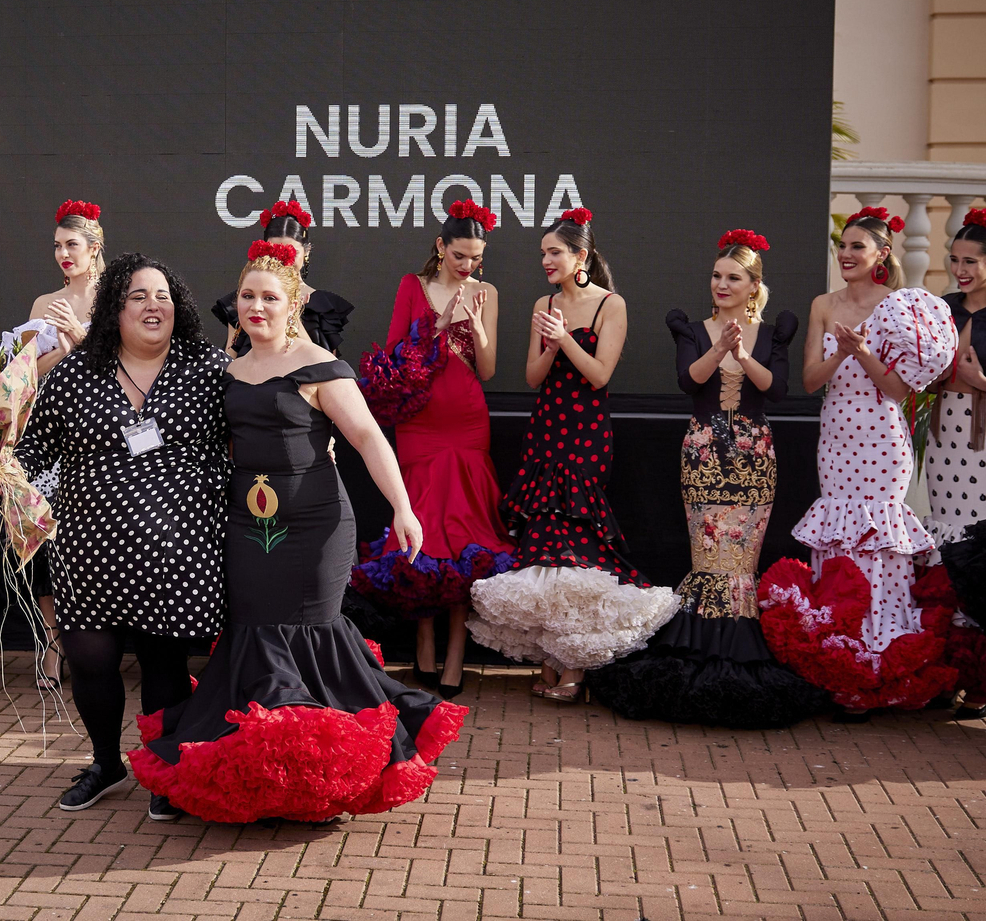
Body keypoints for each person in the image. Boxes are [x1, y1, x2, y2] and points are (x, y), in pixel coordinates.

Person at [131, 241, 464, 824]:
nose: (256, 307)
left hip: (315, 527)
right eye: (247, 296)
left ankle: (322, 772)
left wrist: (403, 508)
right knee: (252, 634)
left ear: (293, 305)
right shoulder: (226, 371)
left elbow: (367, 437)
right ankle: (259, 770)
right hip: (246, 527)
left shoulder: (320, 365)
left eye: (269, 298)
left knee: (311, 635)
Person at [15, 252, 229, 816]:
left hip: (177, 552)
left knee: (164, 666)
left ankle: (163, 773)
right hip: (88, 552)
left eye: (162, 296)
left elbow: (253, 432)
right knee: (90, 662)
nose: (153, 306)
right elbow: (34, 451)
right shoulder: (74, 374)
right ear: (115, 306)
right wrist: (3, 465)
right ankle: (106, 763)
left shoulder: (208, 369)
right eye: (138, 296)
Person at [586, 230, 828, 727]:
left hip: (754, 454)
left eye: (733, 278)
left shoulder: (774, 332)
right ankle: (699, 652)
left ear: (753, 285)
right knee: (709, 555)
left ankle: (739, 655)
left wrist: (744, 356)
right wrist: (719, 349)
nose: (721, 284)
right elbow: (688, 381)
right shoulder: (692, 329)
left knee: (742, 561)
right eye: (717, 276)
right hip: (703, 454)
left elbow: (778, 390)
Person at [468, 208, 679, 702]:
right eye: (543, 253)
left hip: (585, 433)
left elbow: (600, 375)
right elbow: (532, 377)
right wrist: (550, 344)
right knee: (544, 539)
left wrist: (565, 338)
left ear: (580, 256)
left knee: (574, 542)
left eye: (555, 252)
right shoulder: (543, 302)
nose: (546, 260)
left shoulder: (610, 304)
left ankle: (576, 668)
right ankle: (552, 660)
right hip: (545, 427)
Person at [760, 206, 958, 719]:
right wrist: (844, 352)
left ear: (881, 254)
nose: (845, 255)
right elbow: (810, 381)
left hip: (883, 439)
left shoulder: (898, 305)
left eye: (856, 247)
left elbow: (897, 389)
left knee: (880, 542)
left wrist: (865, 351)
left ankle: (880, 654)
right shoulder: (823, 304)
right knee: (838, 538)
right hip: (836, 437)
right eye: (842, 246)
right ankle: (839, 657)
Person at [353, 201, 515, 700]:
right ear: (441, 247)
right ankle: (425, 643)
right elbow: (392, 359)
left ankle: (457, 654)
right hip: (419, 423)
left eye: (476, 257)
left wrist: (477, 327)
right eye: (459, 255)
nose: (467, 265)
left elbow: (488, 370)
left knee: (464, 534)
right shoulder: (411, 286)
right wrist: (439, 324)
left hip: (467, 420)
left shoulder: (487, 292)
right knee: (423, 533)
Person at [9, 199, 104, 690]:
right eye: (57, 246)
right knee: (43, 540)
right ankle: (52, 642)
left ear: (94, 247)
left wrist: (81, 336)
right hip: (50, 432)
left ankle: (97, 640)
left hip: (101, 438)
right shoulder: (43, 303)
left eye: (71, 244)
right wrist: (62, 348)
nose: (63, 254)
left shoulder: (119, 297)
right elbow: (26, 372)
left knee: (94, 541)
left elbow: (129, 364)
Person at [923, 208, 986, 719]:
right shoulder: (942, 308)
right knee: (946, 547)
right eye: (955, 259)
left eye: (971, 262)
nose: (960, 270)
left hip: (984, 443)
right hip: (944, 440)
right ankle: (946, 674)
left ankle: (980, 680)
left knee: (979, 551)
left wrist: (981, 382)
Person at [211, 201, 353, 357]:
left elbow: (327, 364)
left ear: (306, 252)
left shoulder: (323, 306)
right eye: (274, 251)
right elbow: (230, 358)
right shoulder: (247, 302)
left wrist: (293, 314)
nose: (283, 258)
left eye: (291, 252)